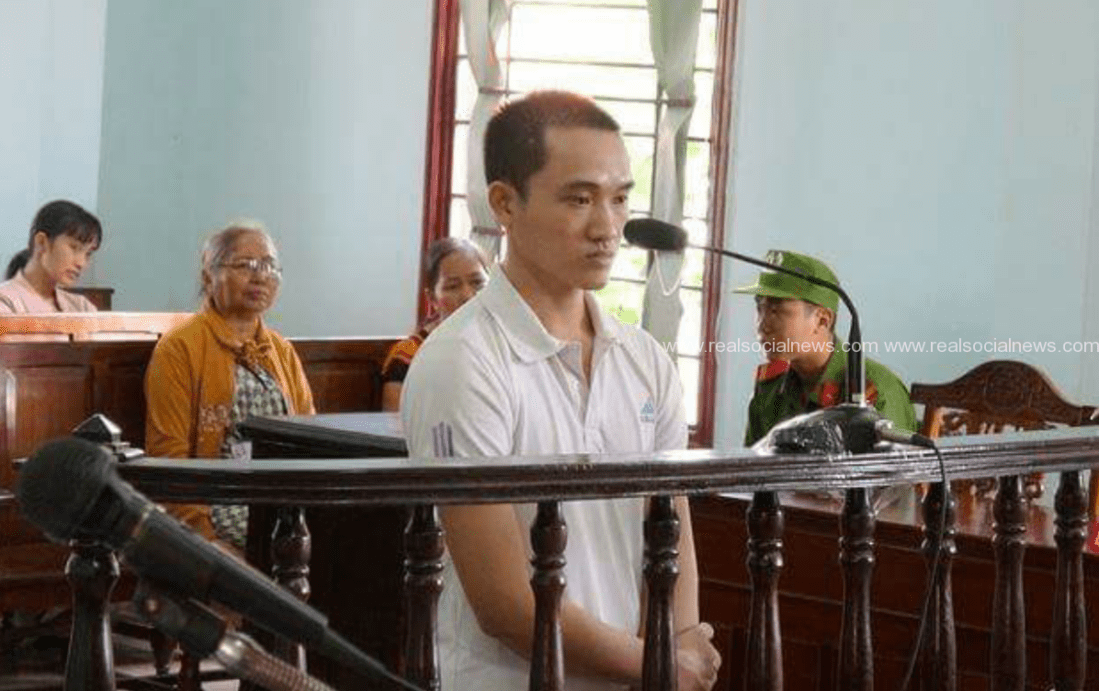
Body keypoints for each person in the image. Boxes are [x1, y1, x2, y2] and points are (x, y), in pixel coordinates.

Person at [402, 91, 721, 690]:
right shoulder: (462, 361)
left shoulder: (644, 360)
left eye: (619, 199)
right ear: (504, 203)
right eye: (579, 199)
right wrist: (661, 667)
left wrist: (679, 640)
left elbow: (670, 529)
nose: (607, 228)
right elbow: (504, 603)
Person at [144, 221, 314, 548]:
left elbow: (311, 438)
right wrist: (204, 540)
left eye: (269, 266)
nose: (260, 276)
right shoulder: (179, 347)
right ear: (208, 276)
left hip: (281, 499)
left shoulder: (281, 350)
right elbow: (168, 458)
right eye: (245, 265)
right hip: (215, 503)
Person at [735, 249, 917, 446]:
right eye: (759, 309)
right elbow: (751, 461)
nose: (762, 325)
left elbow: (894, 466)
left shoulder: (875, 391)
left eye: (775, 310)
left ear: (822, 320)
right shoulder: (770, 389)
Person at [380, 237, 489, 411]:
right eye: (452, 286)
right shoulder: (408, 354)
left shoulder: (504, 344)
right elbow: (395, 421)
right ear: (432, 298)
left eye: (478, 283)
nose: (468, 296)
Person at [0, 200, 101, 313]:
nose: (81, 263)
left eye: (88, 254)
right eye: (74, 248)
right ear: (42, 242)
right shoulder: (5, 301)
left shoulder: (82, 307)